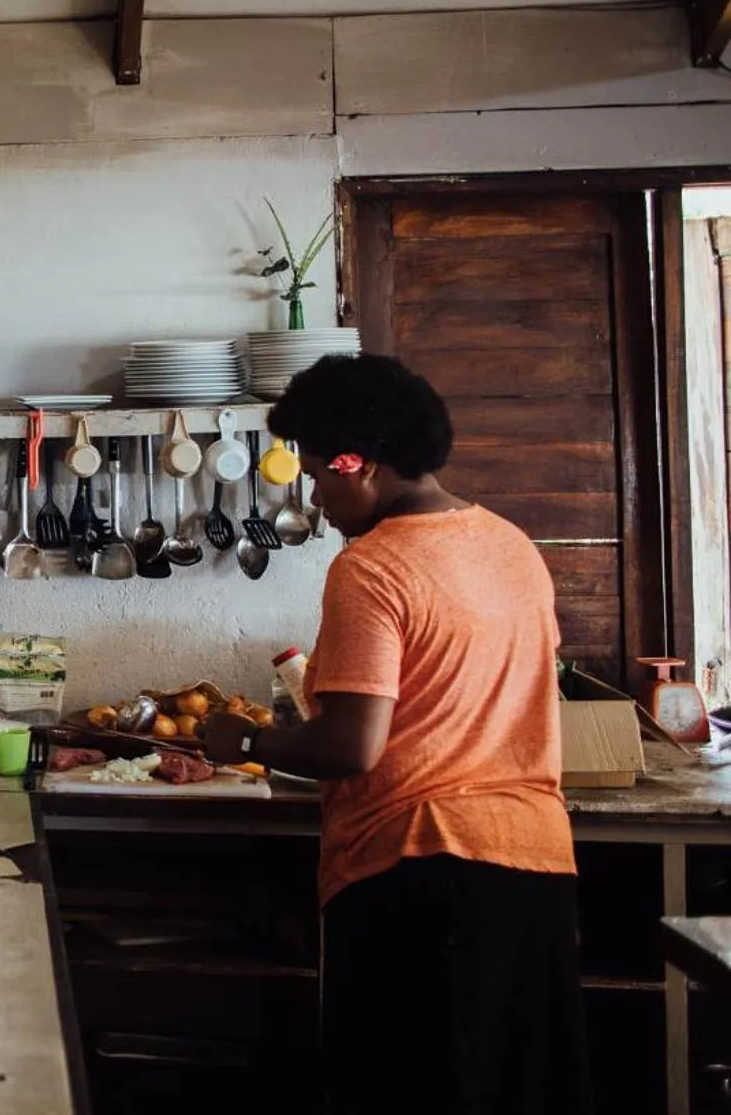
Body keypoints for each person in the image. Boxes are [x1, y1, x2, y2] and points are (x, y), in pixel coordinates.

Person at [200, 353, 591, 1115]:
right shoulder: (512, 544)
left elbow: (351, 747)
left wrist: (243, 740)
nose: (314, 495)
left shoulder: (373, 566)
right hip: (537, 861)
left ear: (360, 465)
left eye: (316, 474)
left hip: (422, 874)